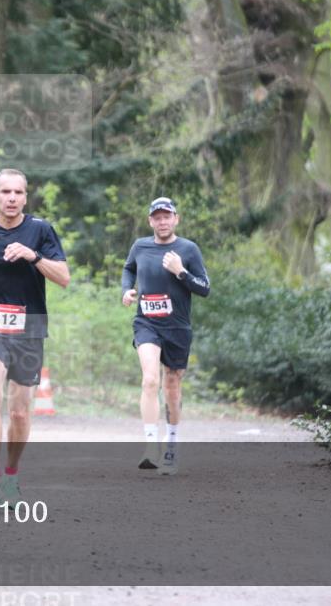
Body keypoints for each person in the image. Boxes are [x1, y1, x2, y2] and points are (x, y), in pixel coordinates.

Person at [0, 168, 70, 504]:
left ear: (26, 197)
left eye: (18, 193)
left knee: (21, 411)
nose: (12, 199)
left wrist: (33, 256)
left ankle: (11, 476)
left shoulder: (40, 230)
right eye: (6, 192)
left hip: (30, 326)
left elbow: (64, 277)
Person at [121, 197, 210, 475]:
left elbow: (204, 288)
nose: (162, 221)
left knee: (171, 388)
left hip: (177, 328)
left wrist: (180, 271)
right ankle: (151, 447)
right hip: (146, 322)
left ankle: (171, 442)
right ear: (150, 221)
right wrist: (126, 290)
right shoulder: (141, 246)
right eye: (157, 217)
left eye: (166, 216)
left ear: (176, 219)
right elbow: (128, 269)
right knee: (150, 380)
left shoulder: (188, 249)